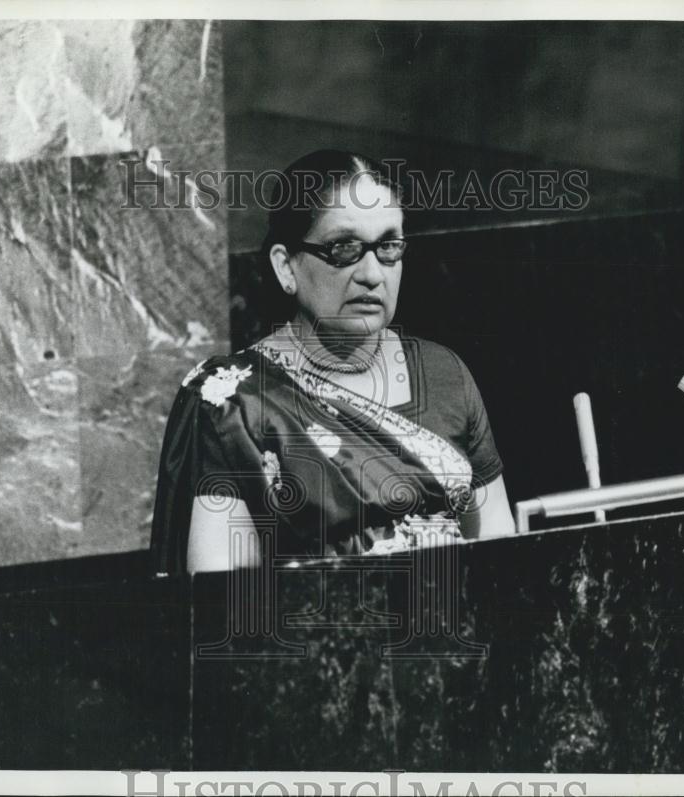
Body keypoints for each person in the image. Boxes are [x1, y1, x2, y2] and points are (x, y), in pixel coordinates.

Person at [151, 150, 515, 576]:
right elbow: (223, 600)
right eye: (344, 248)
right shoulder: (234, 403)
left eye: (389, 247)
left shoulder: (444, 374)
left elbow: (497, 552)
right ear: (286, 267)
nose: (372, 274)